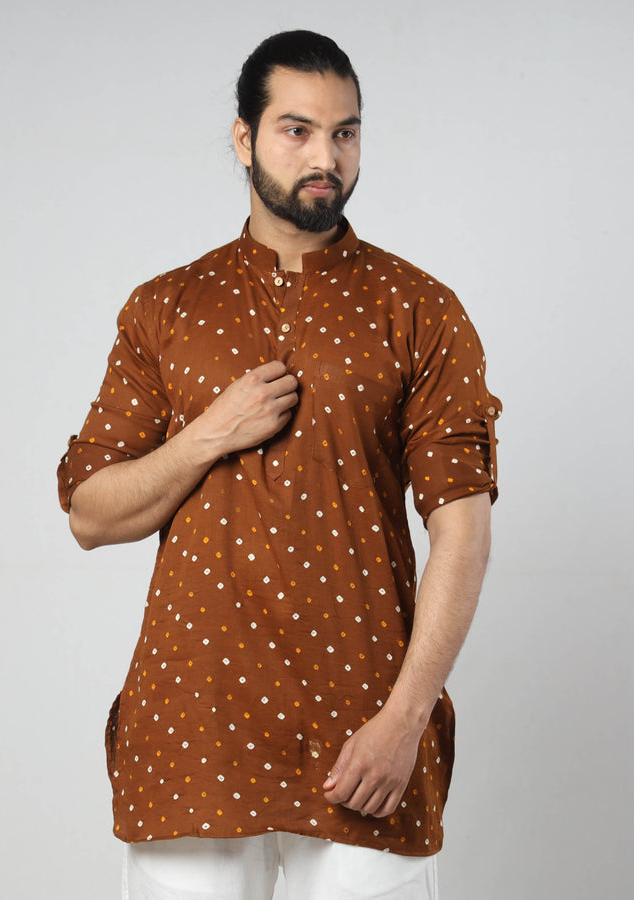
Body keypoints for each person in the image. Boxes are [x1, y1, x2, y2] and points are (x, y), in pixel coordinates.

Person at [58, 29, 501, 900]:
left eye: (345, 133)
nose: (325, 158)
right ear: (244, 138)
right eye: (297, 131)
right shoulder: (167, 307)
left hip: (363, 730)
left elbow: (463, 532)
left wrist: (406, 719)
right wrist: (207, 434)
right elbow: (90, 513)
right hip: (196, 730)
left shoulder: (419, 309)